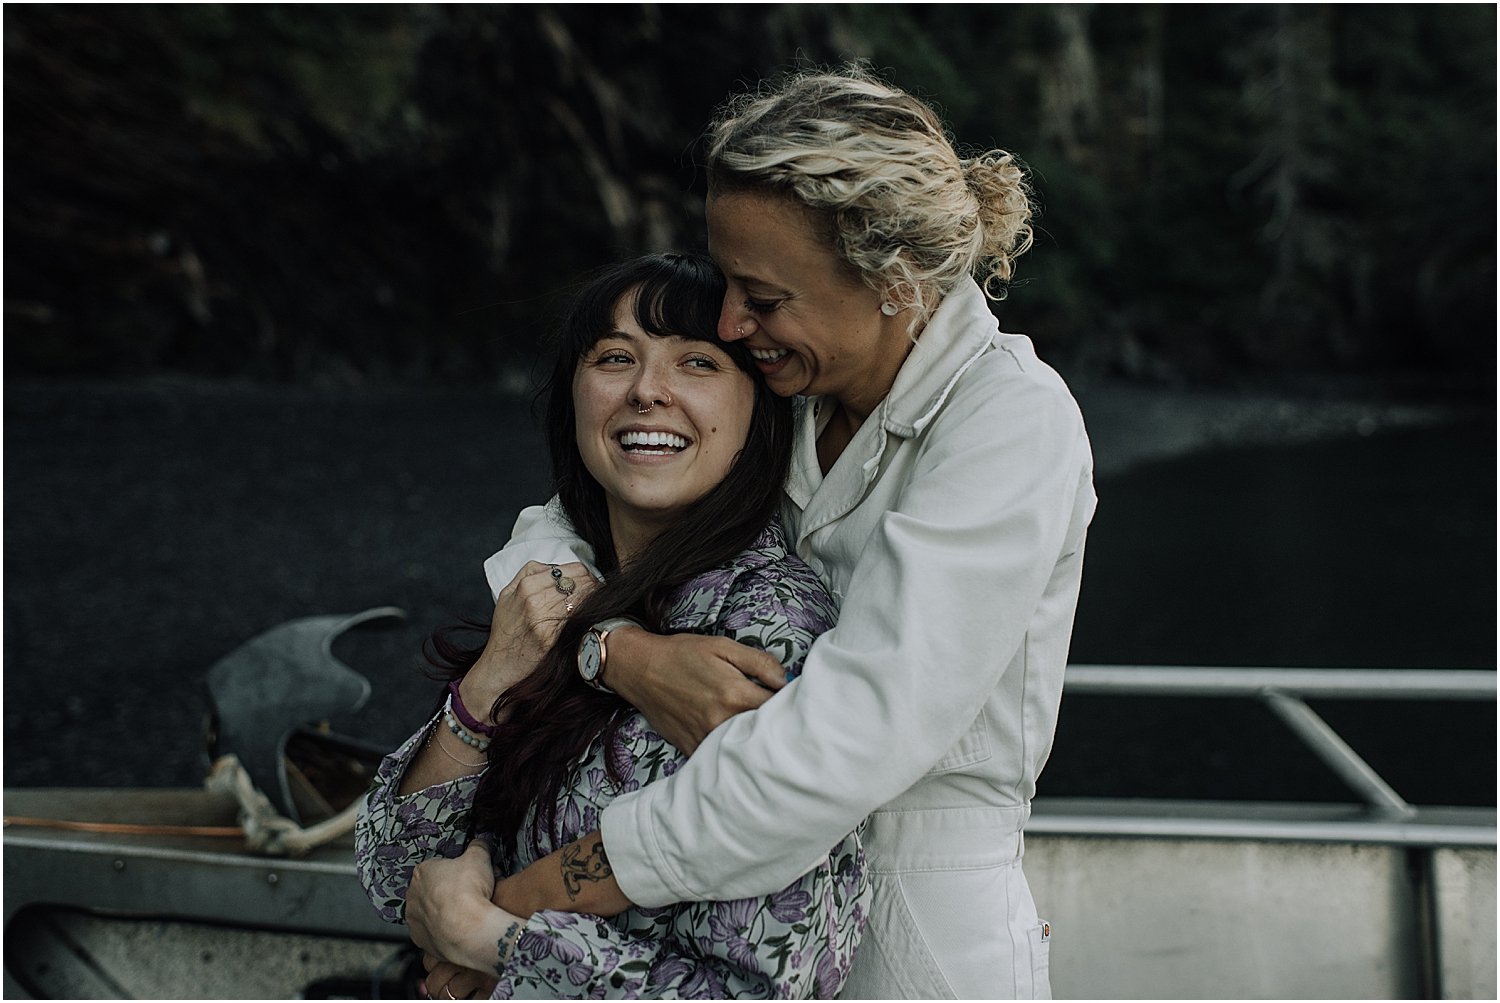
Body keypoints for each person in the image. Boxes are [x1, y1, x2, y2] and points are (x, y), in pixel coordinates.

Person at [423, 64, 1096, 999]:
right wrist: (616, 653)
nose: (734, 323)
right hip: (700, 918)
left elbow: (843, 741)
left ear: (892, 279)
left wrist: (522, 907)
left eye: (763, 296)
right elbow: (562, 521)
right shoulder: (795, 388)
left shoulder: (1008, 424)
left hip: (913, 934)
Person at [355, 252, 869, 999]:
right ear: (574, 396)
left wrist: (498, 940)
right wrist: (492, 676)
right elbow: (395, 873)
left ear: (759, 411)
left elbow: (759, 986)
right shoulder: (561, 594)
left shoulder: (769, 626)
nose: (647, 391)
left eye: (696, 362)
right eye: (616, 358)